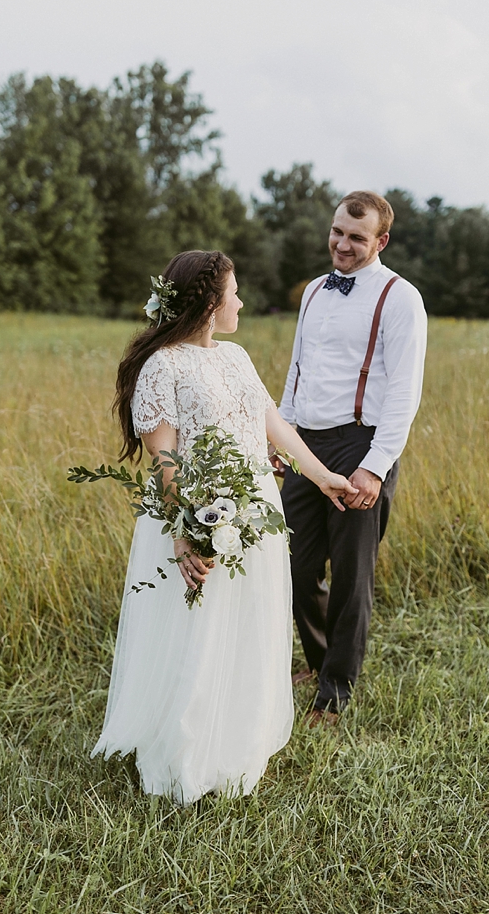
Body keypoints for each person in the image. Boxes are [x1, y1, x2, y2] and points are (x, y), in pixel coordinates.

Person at [92, 250, 356, 803]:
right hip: (196, 509)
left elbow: (273, 426)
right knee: (199, 627)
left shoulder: (236, 357)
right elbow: (163, 458)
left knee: (248, 619)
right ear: (210, 304)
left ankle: (236, 740)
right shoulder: (162, 366)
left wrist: (323, 474)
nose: (241, 301)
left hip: (255, 510)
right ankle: (188, 753)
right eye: (233, 292)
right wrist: (184, 530)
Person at [277, 190, 428, 725]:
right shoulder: (315, 291)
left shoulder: (399, 297)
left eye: (356, 237)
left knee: (350, 575)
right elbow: (299, 369)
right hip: (306, 446)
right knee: (289, 567)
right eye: (338, 231)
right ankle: (319, 661)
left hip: (360, 446)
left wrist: (375, 464)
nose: (342, 244)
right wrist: (283, 437)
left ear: (380, 241)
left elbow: (405, 393)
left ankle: (335, 691)